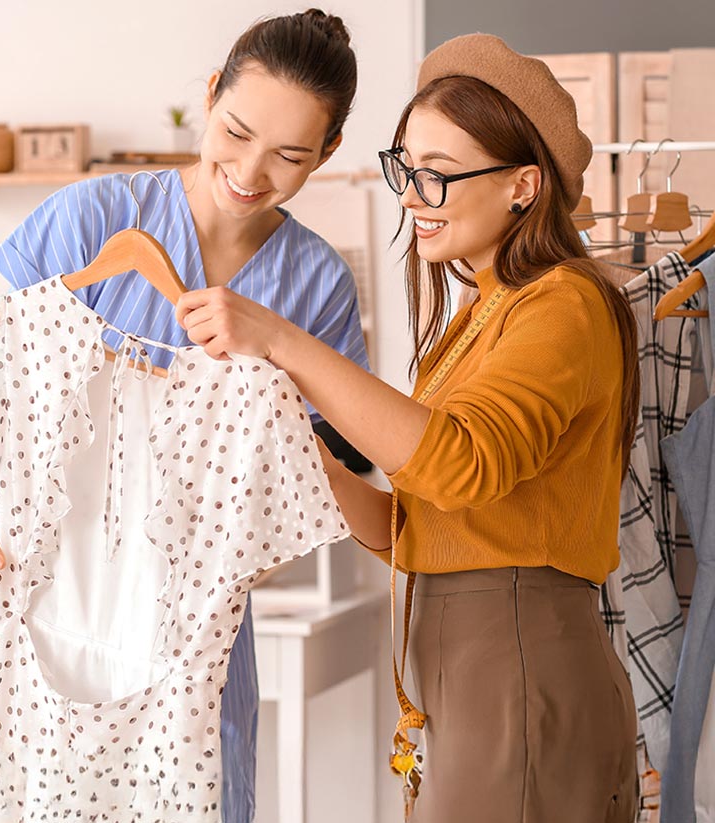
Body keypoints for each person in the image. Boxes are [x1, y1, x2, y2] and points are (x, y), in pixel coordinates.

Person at [0, 10, 367, 822]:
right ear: (210, 95)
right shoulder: (88, 220)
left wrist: (203, 577)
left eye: (290, 155)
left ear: (328, 154)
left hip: (188, 647)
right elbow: (7, 406)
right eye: (236, 130)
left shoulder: (314, 287)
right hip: (28, 605)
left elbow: (310, 489)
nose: (251, 170)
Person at [174, 33, 640, 821]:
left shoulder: (563, 304)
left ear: (524, 186)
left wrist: (283, 341)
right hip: (468, 665)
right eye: (406, 170)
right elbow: (409, 526)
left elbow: (459, 466)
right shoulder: (477, 319)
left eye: (439, 176)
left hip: (516, 660)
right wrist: (302, 446)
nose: (413, 197)